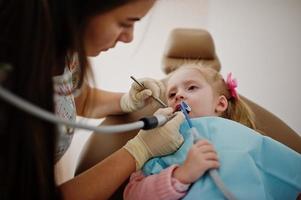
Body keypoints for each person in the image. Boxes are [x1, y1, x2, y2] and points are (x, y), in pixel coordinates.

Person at [0, 0, 185, 199]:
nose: (129, 37)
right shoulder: (9, 95)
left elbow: (72, 97)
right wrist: (139, 150)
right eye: (125, 23)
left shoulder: (62, 48)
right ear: (76, 9)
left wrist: (125, 101)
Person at [124, 64, 257, 199]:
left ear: (220, 104)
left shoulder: (242, 137)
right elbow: (132, 195)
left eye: (191, 87)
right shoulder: (157, 145)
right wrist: (181, 175)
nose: (178, 95)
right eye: (172, 94)